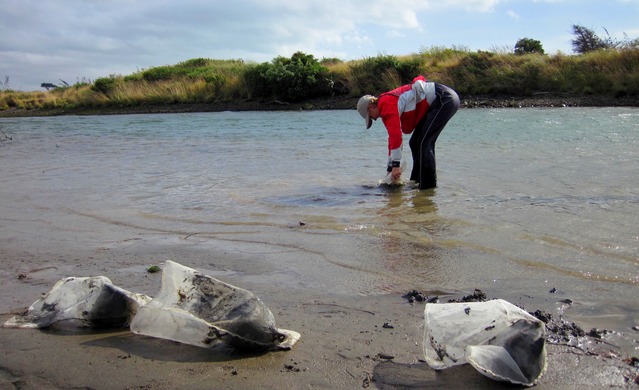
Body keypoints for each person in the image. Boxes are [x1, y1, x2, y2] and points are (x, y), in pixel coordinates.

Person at [357, 76, 459, 190]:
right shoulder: (385, 106)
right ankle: (416, 183)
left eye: (370, 116)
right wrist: (390, 169)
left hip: (444, 99)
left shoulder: (385, 103)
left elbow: (396, 135)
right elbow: (392, 140)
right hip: (438, 102)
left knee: (424, 143)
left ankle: (428, 188)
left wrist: (396, 165)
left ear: (371, 106)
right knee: (415, 142)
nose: (373, 119)